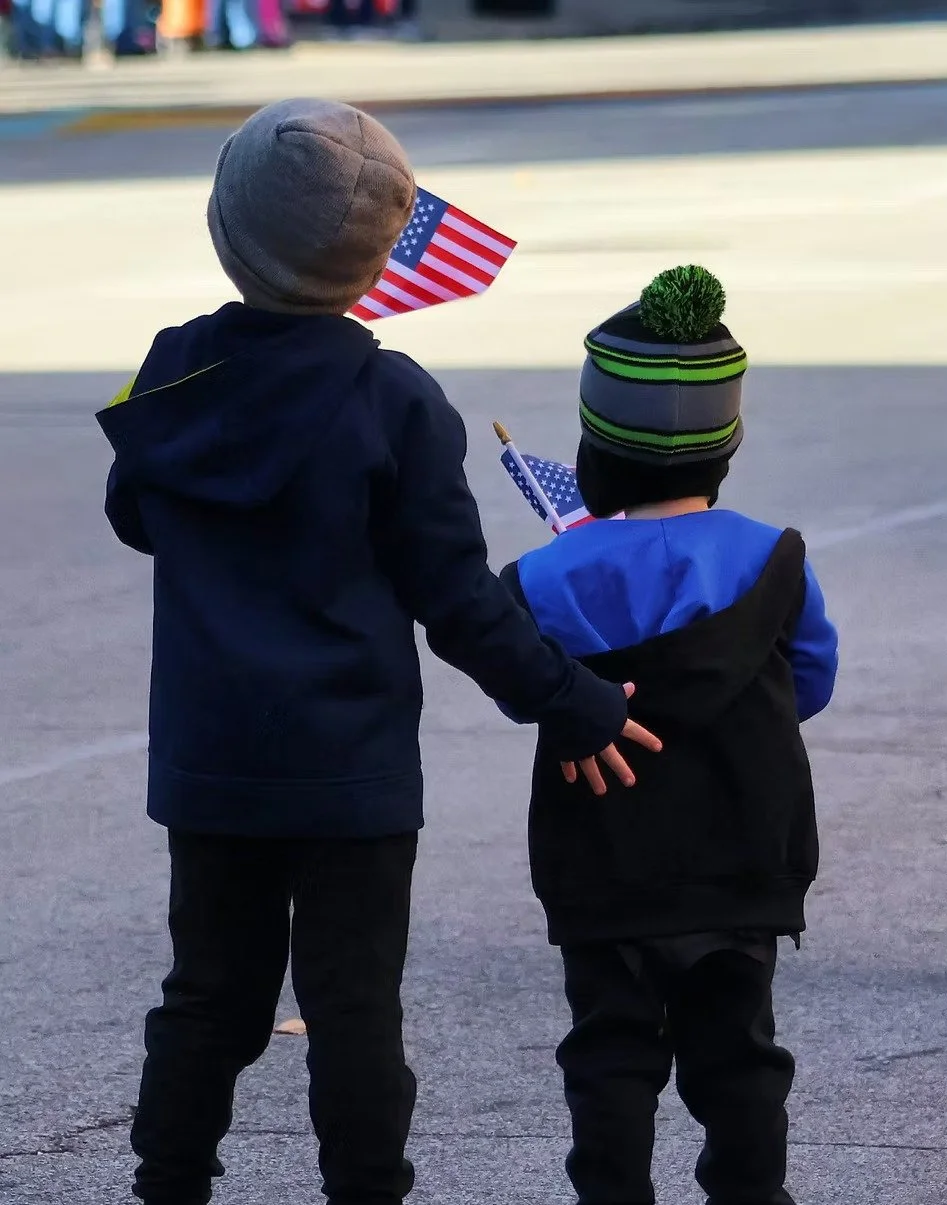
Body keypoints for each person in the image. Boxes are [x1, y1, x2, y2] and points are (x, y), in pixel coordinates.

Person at [95, 98, 661, 1205]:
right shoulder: (393, 398)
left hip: (213, 762)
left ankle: (167, 1182)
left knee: (208, 994)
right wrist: (569, 698)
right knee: (353, 1008)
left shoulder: (174, 367)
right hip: (350, 772)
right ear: (376, 258)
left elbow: (134, 513)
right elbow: (456, 599)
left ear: (227, 230)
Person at [498, 265, 839, 1205]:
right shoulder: (773, 556)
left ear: (596, 446)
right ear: (726, 446)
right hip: (744, 856)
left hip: (603, 861)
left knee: (610, 1053)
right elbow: (810, 681)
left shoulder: (544, 577)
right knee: (741, 1057)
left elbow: (520, 690)